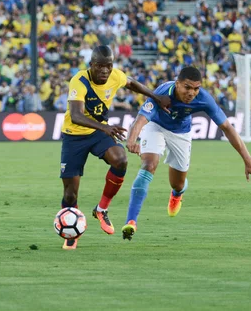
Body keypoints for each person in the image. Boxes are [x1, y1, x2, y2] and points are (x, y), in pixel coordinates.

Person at [121, 66, 251, 240]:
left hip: (181, 132)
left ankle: (177, 194)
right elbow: (141, 119)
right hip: (155, 126)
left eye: (196, 88)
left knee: (177, 184)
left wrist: (248, 160)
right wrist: (132, 139)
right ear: (178, 83)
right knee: (149, 164)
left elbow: (227, 127)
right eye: (187, 87)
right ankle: (131, 221)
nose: (192, 93)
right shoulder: (163, 92)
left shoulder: (204, 98)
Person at [59, 45, 171, 250]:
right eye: (100, 66)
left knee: (120, 159)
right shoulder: (80, 80)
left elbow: (133, 84)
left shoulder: (115, 75)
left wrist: (156, 97)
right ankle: (70, 231)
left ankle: (101, 209)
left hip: (99, 133)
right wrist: (105, 127)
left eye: (108, 66)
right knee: (70, 195)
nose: (104, 70)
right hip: (74, 135)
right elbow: (76, 115)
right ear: (91, 65)